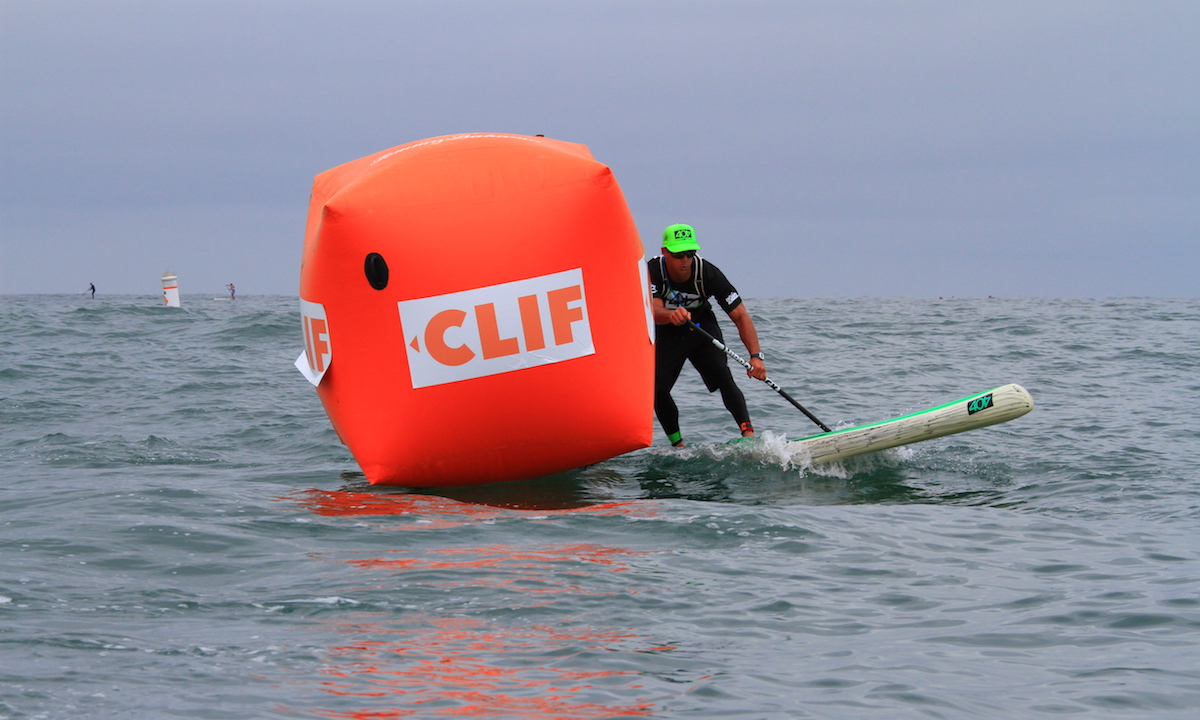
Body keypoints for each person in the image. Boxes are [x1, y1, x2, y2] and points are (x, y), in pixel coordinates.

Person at [648, 223, 767, 447]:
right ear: (665, 252)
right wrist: (670, 314)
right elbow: (654, 310)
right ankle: (678, 445)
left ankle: (749, 438)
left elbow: (740, 315)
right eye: (678, 254)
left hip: (701, 328)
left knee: (723, 378)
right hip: (667, 332)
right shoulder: (653, 271)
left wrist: (756, 356)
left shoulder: (708, 273)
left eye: (690, 253)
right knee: (656, 389)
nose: (685, 260)